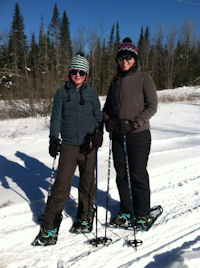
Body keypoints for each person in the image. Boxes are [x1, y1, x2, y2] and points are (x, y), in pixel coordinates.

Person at [34, 52, 103, 246]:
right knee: (61, 185)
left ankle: (85, 215)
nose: (78, 75)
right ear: (69, 72)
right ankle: (50, 224)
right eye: (75, 71)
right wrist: (54, 138)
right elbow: (56, 117)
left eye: (82, 72)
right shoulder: (61, 93)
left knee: (87, 183)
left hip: (88, 145)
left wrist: (99, 134)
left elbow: (99, 117)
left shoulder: (91, 94)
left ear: (86, 74)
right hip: (69, 146)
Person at [103, 37, 158, 230]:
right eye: (121, 58)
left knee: (137, 174)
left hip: (138, 135)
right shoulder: (115, 82)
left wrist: (135, 122)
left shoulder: (144, 78)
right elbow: (107, 108)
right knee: (121, 175)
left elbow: (152, 106)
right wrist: (108, 121)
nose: (124, 61)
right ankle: (126, 209)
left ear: (134, 58)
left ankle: (142, 213)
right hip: (118, 135)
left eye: (128, 57)